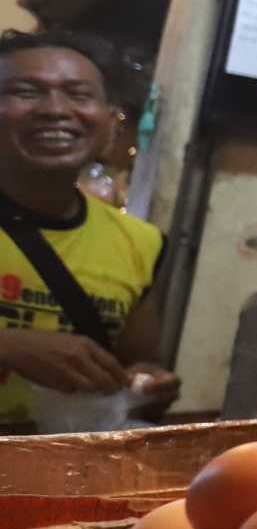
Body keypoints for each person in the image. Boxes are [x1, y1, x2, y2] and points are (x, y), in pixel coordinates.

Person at [0, 29, 178, 426]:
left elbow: (139, 361)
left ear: (110, 121)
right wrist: (9, 346)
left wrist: (146, 384)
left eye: (79, 95)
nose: (56, 110)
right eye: (27, 92)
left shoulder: (139, 242)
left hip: (64, 471)